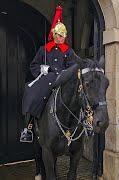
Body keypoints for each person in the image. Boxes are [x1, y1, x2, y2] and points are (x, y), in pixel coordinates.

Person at [20, 6, 77, 142]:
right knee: (32, 92)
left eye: (64, 36)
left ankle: (83, 124)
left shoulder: (68, 51)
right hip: (47, 78)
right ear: (54, 35)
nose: (62, 38)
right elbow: (33, 65)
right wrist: (41, 69)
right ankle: (28, 127)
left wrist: (66, 73)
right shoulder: (44, 50)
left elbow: (73, 66)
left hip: (63, 79)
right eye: (60, 35)